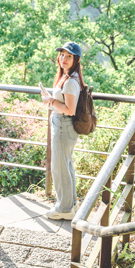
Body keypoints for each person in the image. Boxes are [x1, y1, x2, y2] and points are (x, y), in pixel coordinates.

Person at [41, 41, 85, 220]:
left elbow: (69, 109)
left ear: (76, 60)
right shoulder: (66, 77)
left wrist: (51, 101)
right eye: (62, 55)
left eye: (69, 56)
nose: (64, 59)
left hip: (63, 126)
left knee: (60, 168)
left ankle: (64, 208)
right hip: (62, 126)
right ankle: (71, 203)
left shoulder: (70, 82)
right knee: (65, 166)